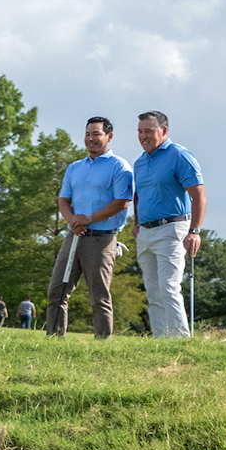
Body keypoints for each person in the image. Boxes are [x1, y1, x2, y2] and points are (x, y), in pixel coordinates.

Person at [47, 117, 134, 338]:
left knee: (99, 296)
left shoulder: (119, 166)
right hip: (74, 236)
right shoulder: (75, 167)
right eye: (87, 134)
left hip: (102, 239)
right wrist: (73, 221)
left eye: (96, 134)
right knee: (57, 291)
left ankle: (102, 343)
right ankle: (53, 340)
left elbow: (121, 202)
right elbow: (63, 200)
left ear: (109, 136)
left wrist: (88, 218)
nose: (90, 139)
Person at [129, 111, 206, 338]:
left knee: (169, 287)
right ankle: (160, 341)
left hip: (172, 229)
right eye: (140, 132)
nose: (143, 136)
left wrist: (195, 231)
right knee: (153, 291)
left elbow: (199, 195)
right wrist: (137, 223)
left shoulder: (179, 155)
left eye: (148, 131)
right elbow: (139, 196)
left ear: (163, 131)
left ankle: (180, 340)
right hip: (146, 231)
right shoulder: (140, 162)